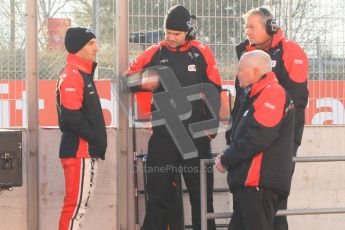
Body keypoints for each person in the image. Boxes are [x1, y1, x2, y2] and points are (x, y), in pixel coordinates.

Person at [127, 5, 221, 230]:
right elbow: (125, 81)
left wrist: (210, 130)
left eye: (176, 34)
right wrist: (142, 80)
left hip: (196, 138)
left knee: (202, 199)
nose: (170, 37)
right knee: (157, 197)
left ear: (188, 32)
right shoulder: (154, 52)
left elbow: (216, 91)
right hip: (163, 137)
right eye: (167, 32)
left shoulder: (202, 52)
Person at [225, 7, 309, 230]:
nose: (247, 31)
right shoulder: (245, 51)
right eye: (246, 27)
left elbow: (297, 103)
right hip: (248, 136)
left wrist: (290, 143)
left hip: (277, 138)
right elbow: (241, 101)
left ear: (270, 27)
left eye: (252, 26)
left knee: (272, 200)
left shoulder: (291, 51)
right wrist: (232, 134)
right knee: (244, 202)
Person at [216, 50, 295, 230]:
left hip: (258, 185)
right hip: (250, 186)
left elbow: (258, 138)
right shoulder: (256, 95)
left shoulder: (272, 93)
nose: (237, 74)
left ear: (256, 71)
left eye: (240, 70)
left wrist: (226, 159)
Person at [56, 27, 107, 230]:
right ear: (78, 48)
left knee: (79, 209)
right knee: (75, 210)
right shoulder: (72, 75)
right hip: (79, 153)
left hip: (85, 153)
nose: (97, 48)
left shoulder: (83, 74)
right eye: (91, 43)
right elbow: (70, 118)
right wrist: (95, 138)